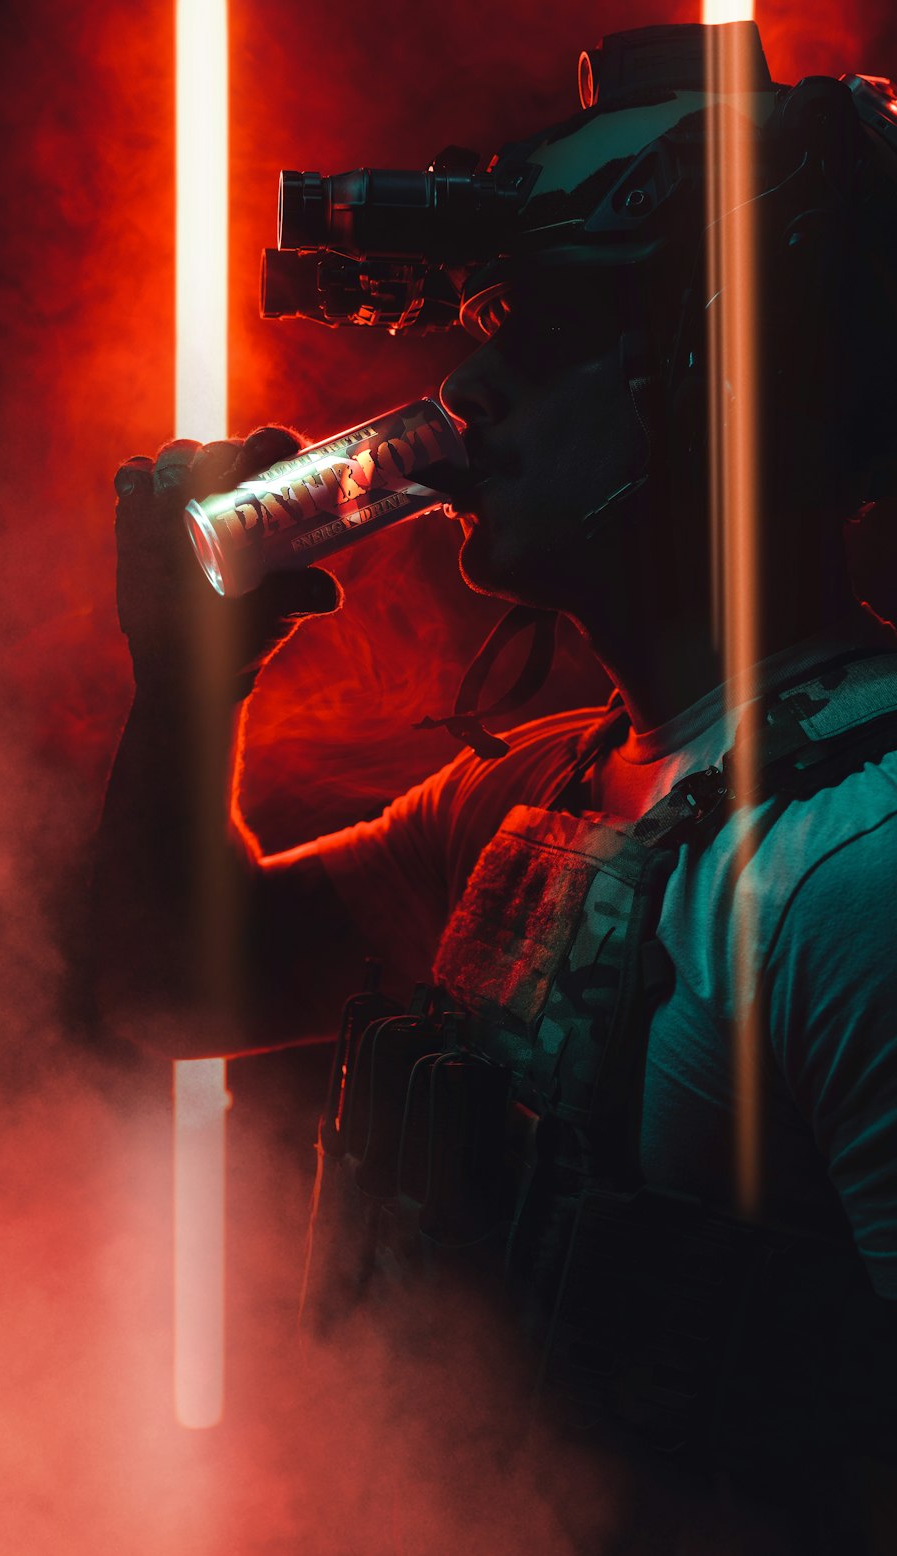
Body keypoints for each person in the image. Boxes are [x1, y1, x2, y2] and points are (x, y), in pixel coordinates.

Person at [94, 21, 897, 1552]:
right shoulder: (543, 796)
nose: (466, 386)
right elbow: (153, 994)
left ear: (725, 367)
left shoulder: (859, 873)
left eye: (542, 330)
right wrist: (188, 686)